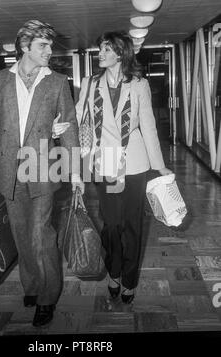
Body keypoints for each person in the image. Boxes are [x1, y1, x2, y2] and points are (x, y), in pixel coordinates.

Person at [53, 31, 172, 304]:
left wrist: (160, 166)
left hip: (135, 163)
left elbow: (149, 127)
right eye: (101, 49)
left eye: (106, 50)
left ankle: (129, 280)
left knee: (132, 225)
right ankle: (113, 271)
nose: (101, 54)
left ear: (121, 53)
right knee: (111, 225)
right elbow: (77, 117)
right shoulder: (90, 82)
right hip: (105, 161)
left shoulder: (139, 84)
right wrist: (58, 127)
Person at [0, 19, 83, 327]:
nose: (50, 51)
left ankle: (47, 296)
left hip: (41, 167)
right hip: (10, 168)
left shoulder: (57, 82)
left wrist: (75, 171)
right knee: (21, 236)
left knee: (40, 235)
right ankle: (33, 286)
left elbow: (71, 129)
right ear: (25, 47)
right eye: (43, 46)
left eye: (50, 45)